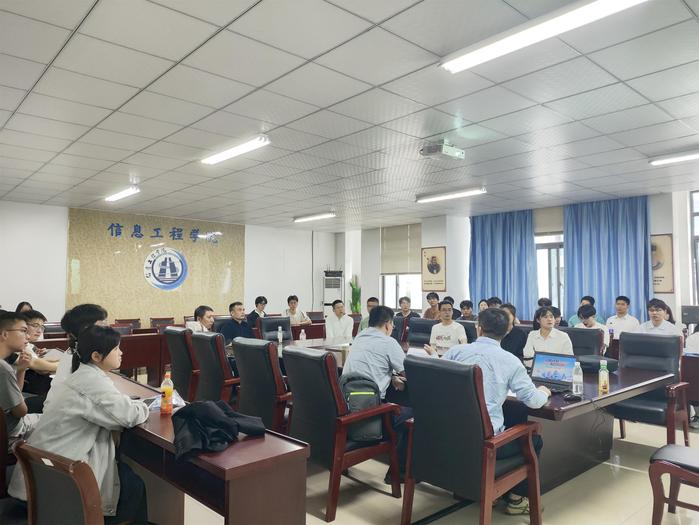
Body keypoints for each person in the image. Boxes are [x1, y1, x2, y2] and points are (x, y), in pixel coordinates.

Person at [9, 325, 149, 524]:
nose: (121, 352)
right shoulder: (90, 382)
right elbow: (128, 416)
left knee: (126, 479)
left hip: (40, 481)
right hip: (60, 486)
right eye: (116, 348)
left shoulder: (82, 375)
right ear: (96, 356)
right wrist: (144, 405)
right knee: (133, 486)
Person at [443, 308, 549, 515]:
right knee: (533, 438)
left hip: (448, 436)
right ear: (507, 332)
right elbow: (534, 402)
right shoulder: (510, 361)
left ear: (479, 328)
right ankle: (516, 500)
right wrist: (544, 391)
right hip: (485, 445)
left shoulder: (456, 352)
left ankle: (471, 487)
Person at [341, 306, 429, 482]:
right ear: (388, 325)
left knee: (401, 402)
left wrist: (391, 376)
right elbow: (409, 374)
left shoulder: (359, 337)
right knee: (417, 414)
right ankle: (399, 472)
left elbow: (372, 367)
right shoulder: (388, 342)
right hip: (370, 416)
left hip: (348, 408)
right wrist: (397, 376)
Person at [44, 304, 109, 409]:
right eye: (103, 325)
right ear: (86, 329)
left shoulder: (74, 350)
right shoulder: (79, 357)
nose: (108, 330)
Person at [0, 312, 40, 446]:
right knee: (57, 419)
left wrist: (21, 370)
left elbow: (15, 398)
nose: (27, 336)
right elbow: (21, 412)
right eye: (23, 331)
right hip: (11, 433)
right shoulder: (3, 369)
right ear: (5, 334)